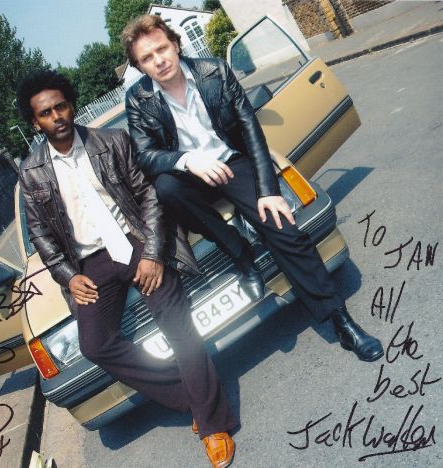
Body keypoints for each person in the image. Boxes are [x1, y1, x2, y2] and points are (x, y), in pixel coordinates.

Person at [121, 15, 383, 367]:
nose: (158, 60)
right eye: (147, 58)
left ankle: (341, 321)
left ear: (176, 45)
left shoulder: (215, 71)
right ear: (140, 66)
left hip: (232, 162)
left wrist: (269, 190)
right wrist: (186, 159)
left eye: (161, 49)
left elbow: (250, 129)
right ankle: (239, 251)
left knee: (284, 230)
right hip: (189, 175)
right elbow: (144, 155)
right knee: (166, 187)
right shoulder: (139, 99)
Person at [16, 70, 238, 468]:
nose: (57, 116)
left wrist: (152, 253)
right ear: (36, 122)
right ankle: (194, 395)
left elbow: (148, 196)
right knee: (94, 344)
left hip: (135, 240)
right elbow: (41, 235)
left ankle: (212, 425)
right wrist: (69, 275)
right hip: (90, 263)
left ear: (71, 105)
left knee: (176, 324)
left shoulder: (112, 141)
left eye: (61, 106)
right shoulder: (31, 172)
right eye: (46, 113)